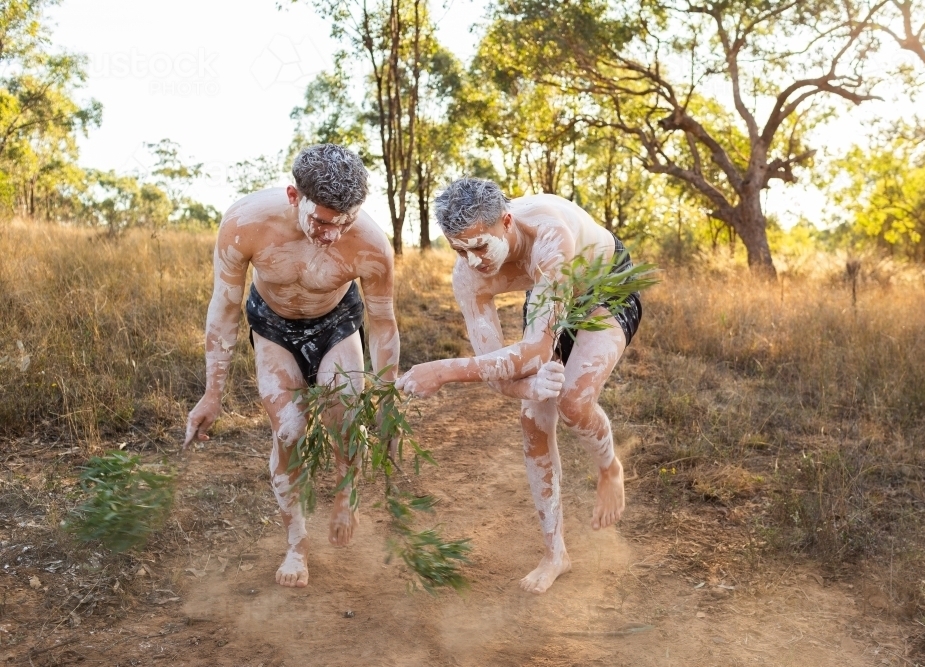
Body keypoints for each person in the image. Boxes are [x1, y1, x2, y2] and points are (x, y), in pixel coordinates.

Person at [395, 178, 642, 594]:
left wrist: (442, 370)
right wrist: (528, 390)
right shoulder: (468, 277)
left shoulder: (549, 236)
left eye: (478, 246)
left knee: (574, 403)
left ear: (506, 221)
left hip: (603, 287)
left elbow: (532, 352)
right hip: (552, 295)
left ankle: (610, 468)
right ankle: (555, 553)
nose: (472, 261)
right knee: (533, 421)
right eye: (459, 250)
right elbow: (503, 375)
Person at [183, 144, 399, 589]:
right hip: (272, 325)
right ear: (293, 196)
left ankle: (345, 494)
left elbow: (382, 324)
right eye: (320, 221)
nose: (329, 236)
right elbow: (223, 309)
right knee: (290, 430)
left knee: (345, 411)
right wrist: (212, 394)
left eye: (343, 223)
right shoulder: (246, 224)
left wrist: (387, 398)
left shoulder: (372, 245)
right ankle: (296, 545)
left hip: (338, 323)